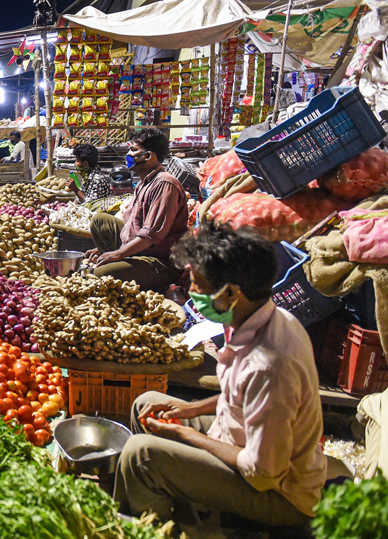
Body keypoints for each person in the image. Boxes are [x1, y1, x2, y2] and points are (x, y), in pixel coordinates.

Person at [114, 221, 326, 527]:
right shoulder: (255, 317)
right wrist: (192, 408)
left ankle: (157, 527)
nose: (191, 290)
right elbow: (239, 394)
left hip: (282, 495)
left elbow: (263, 472)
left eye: (199, 283)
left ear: (231, 294)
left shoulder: (270, 365)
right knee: (146, 403)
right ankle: (181, 503)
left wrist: (186, 434)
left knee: (140, 454)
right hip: (239, 440)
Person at [87, 128, 188, 292]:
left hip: (159, 261)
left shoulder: (164, 184)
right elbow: (132, 225)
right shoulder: (144, 182)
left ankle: (151, 279)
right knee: (100, 221)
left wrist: (118, 253)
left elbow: (150, 235)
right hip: (141, 249)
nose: (128, 154)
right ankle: (121, 263)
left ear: (148, 156)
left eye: (133, 150)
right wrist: (103, 249)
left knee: (100, 273)